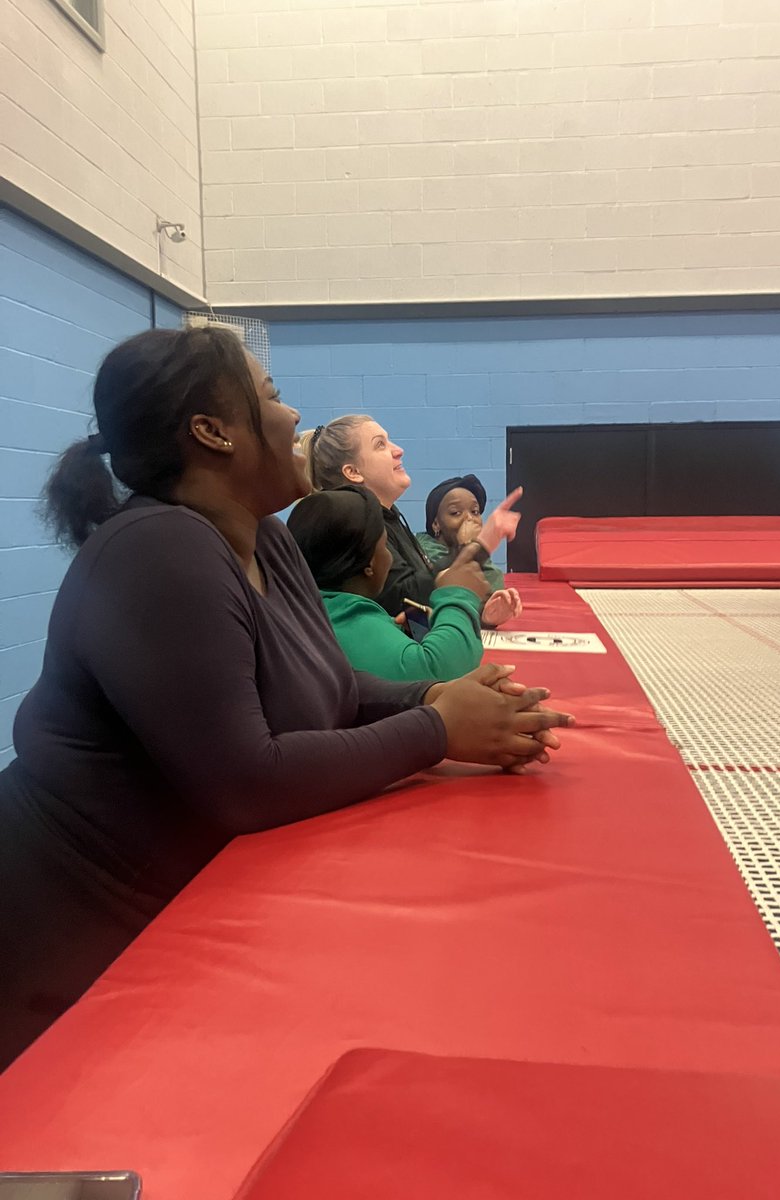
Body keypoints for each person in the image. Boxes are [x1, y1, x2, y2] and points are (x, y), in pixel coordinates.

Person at [0, 327, 572, 1071]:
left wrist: (437, 692)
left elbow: (330, 687)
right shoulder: (158, 550)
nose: (293, 416)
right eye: (270, 397)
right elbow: (246, 780)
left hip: (151, 920)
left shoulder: (265, 540)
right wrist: (436, 729)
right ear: (213, 432)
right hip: (56, 935)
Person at [294, 416, 523, 623]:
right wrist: (482, 544)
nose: (398, 450)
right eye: (380, 444)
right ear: (353, 471)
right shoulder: (354, 528)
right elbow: (401, 600)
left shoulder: (390, 519)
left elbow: (414, 610)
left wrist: (481, 614)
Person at [288, 485, 487, 682]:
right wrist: (459, 596)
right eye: (385, 546)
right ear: (369, 565)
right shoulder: (348, 621)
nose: (391, 558)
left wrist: (404, 628)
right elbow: (441, 670)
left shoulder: (319, 607)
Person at [417, 474, 508, 595]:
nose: (469, 519)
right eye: (456, 513)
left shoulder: (483, 561)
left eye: (475, 511)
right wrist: (466, 547)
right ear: (436, 524)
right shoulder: (420, 553)